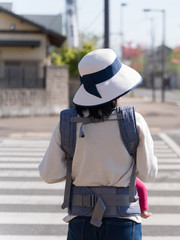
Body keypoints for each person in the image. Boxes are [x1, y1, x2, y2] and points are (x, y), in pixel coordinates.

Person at [38, 48, 158, 240]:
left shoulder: (67, 123)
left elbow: (49, 174)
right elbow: (148, 173)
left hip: (81, 221)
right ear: (117, 90)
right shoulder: (133, 121)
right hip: (124, 221)